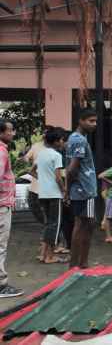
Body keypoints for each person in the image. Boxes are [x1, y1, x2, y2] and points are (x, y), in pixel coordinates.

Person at [66, 108, 99, 270]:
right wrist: (66, 190)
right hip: (85, 190)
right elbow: (72, 169)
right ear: (81, 121)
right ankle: (79, 264)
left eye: (95, 121)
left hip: (80, 189)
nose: (94, 124)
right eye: (91, 121)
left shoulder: (74, 138)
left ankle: (79, 263)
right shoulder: (79, 140)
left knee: (85, 224)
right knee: (85, 224)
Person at [36, 128, 67, 264]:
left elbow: (32, 171)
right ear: (55, 141)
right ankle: (49, 256)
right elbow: (58, 177)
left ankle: (43, 255)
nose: (62, 142)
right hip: (54, 194)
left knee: (49, 224)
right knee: (55, 225)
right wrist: (64, 191)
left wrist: (44, 180)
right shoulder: (56, 155)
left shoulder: (41, 154)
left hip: (42, 193)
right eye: (61, 140)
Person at [0, 120, 23, 298]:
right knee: (1, 245)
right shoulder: (1, 151)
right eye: (11, 130)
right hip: (1, 206)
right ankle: (1, 285)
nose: (13, 134)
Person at [24, 133, 46, 229]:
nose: (45, 134)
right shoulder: (36, 146)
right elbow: (27, 158)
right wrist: (25, 159)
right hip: (36, 186)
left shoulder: (56, 147)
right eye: (44, 132)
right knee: (39, 211)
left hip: (51, 187)